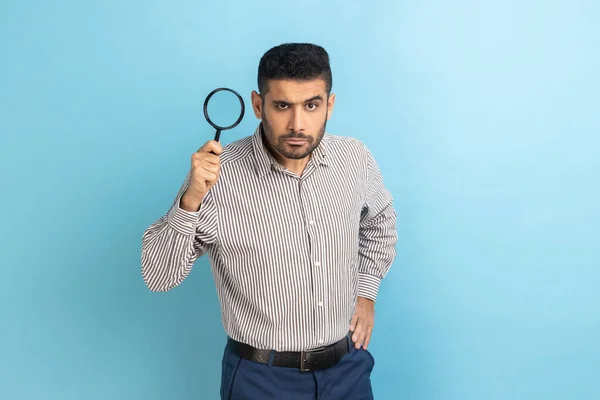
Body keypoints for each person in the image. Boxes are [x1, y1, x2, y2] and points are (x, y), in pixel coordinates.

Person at [141, 42, 398, 399]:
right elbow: (159, 276)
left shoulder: (355, 159)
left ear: (330, 105)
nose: (297, 124)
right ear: (258, 105)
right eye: (282, 106)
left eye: (311, 105)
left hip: (347, 371)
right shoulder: (218, 177)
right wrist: (191, 200)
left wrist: (366, 292)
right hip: (262, 380)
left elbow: (379, 224)